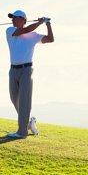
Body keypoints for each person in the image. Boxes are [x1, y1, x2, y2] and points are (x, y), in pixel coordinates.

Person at [6, 9, 54, 139]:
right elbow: (25, 31)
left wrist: (47, 24)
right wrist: (40, 23)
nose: (12, 20)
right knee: (14, 98)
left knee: (24, 101)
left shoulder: (33, 36)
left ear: (23, 20)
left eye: (15, 18)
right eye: (12, 18)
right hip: (13, 70)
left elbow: (50, 39)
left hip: (27, 70)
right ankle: (28, 123)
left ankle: (22, 132)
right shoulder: (10, 31)